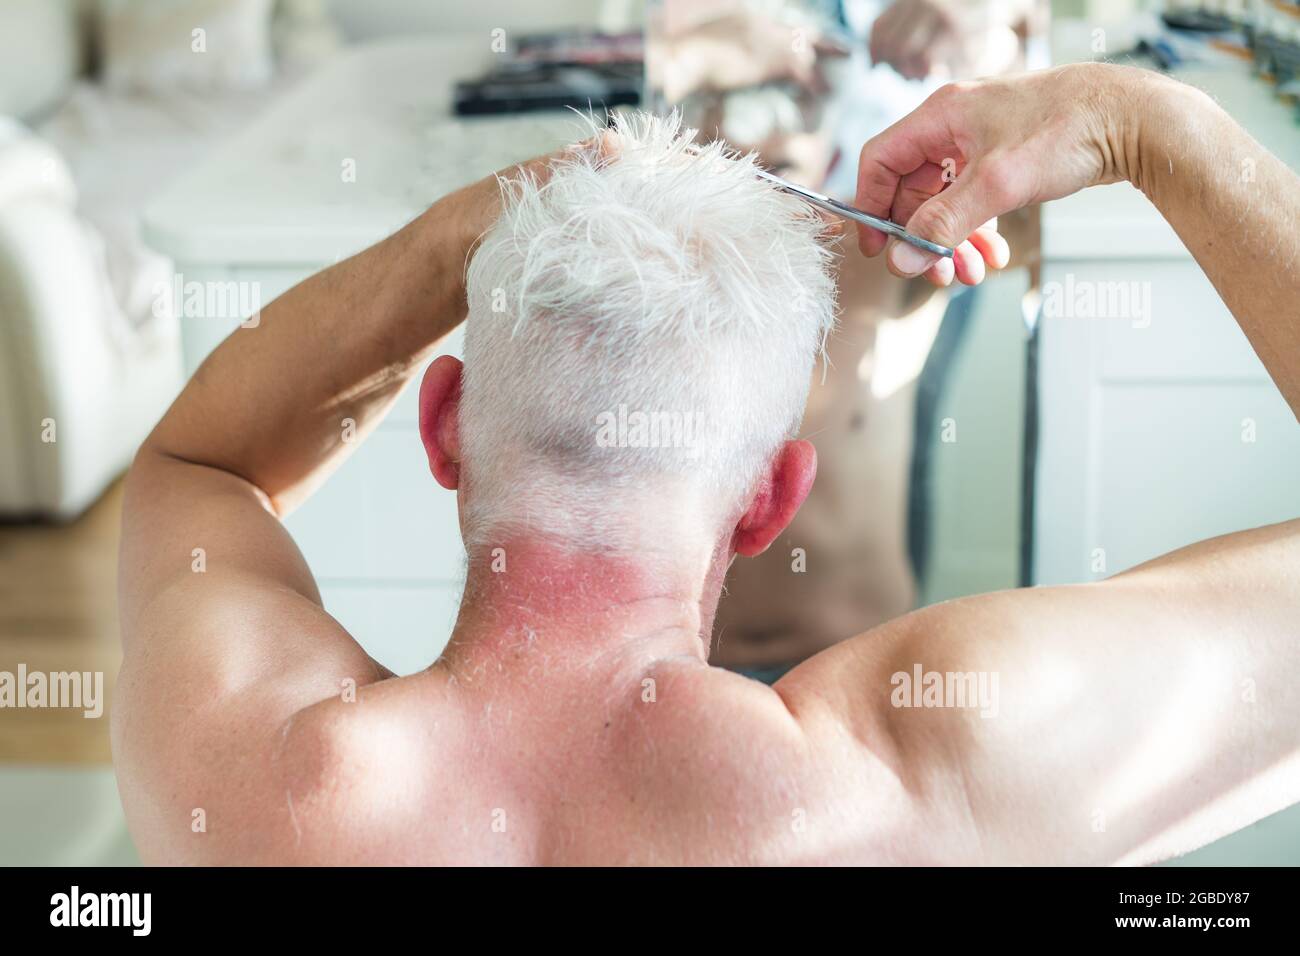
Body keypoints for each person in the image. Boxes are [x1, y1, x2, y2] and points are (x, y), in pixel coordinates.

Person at [116, 64, 1298, 864]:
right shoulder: (909, 781)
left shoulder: (254, 764)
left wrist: (459, 236)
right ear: (771, 500)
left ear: (442, 426)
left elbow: (195, 462)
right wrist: (1151, 126)